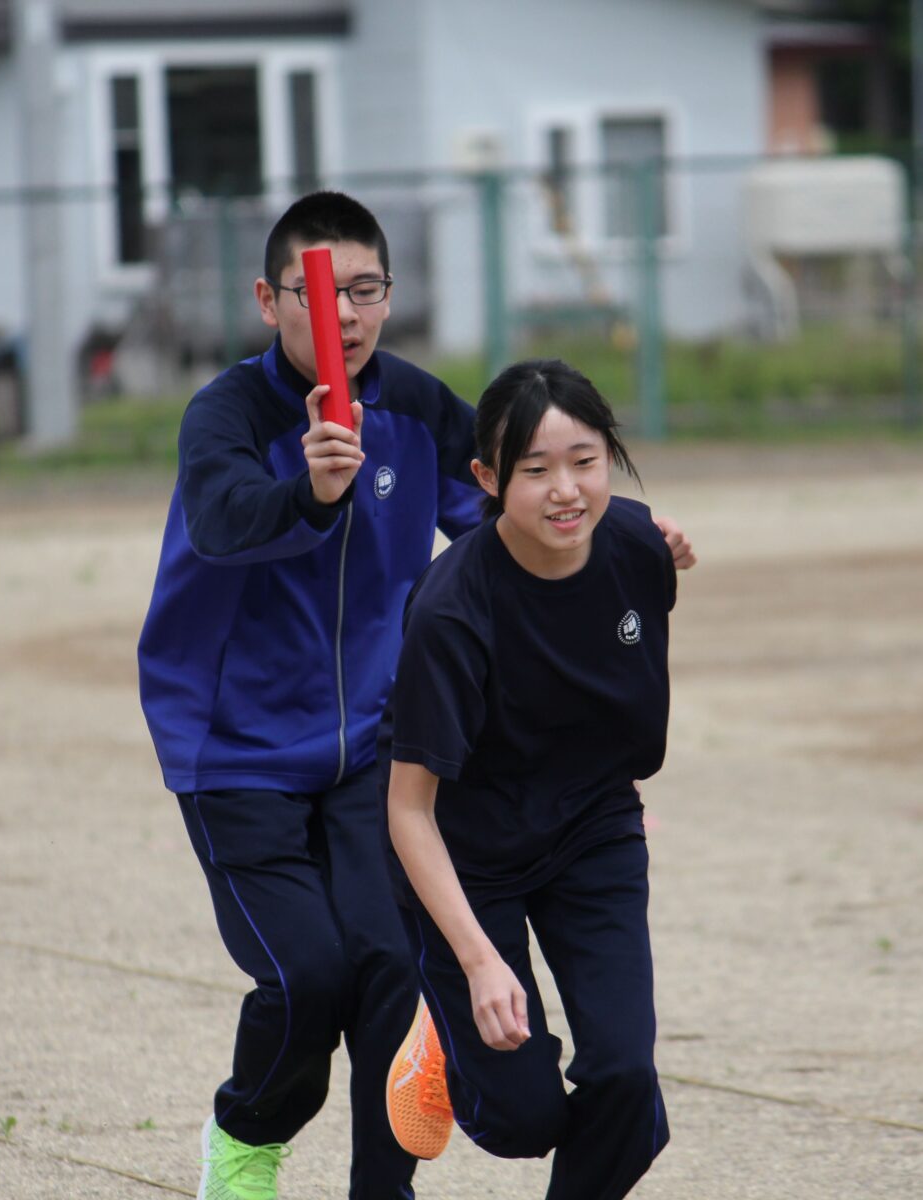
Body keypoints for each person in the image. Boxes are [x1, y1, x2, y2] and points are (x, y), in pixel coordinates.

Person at [137, 193, 693, 1200]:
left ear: (389, 299)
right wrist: (307, 490)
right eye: (319, 293)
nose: (344, 314)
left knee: (393, 963)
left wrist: (628, 538)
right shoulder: (229, 415)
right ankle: (247, 1136)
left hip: (368, 744)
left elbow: (517, 513)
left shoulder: (418, 408)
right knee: (309, 975)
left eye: (365, 290)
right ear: (270, 302)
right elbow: (220, 525)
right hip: (236, 750)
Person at [383, 359, 678, 1200]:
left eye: (584, 462)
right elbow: (409, 814)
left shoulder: (636, 545)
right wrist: (477, 964)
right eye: (535, 470)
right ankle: (438, 1034)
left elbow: (620, 626)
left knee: (624, 1079)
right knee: (526, 1121)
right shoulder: (450, 612)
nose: (565, 492)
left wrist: (672, 548)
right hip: (467, 857)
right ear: (486, 477)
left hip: (592, 829)